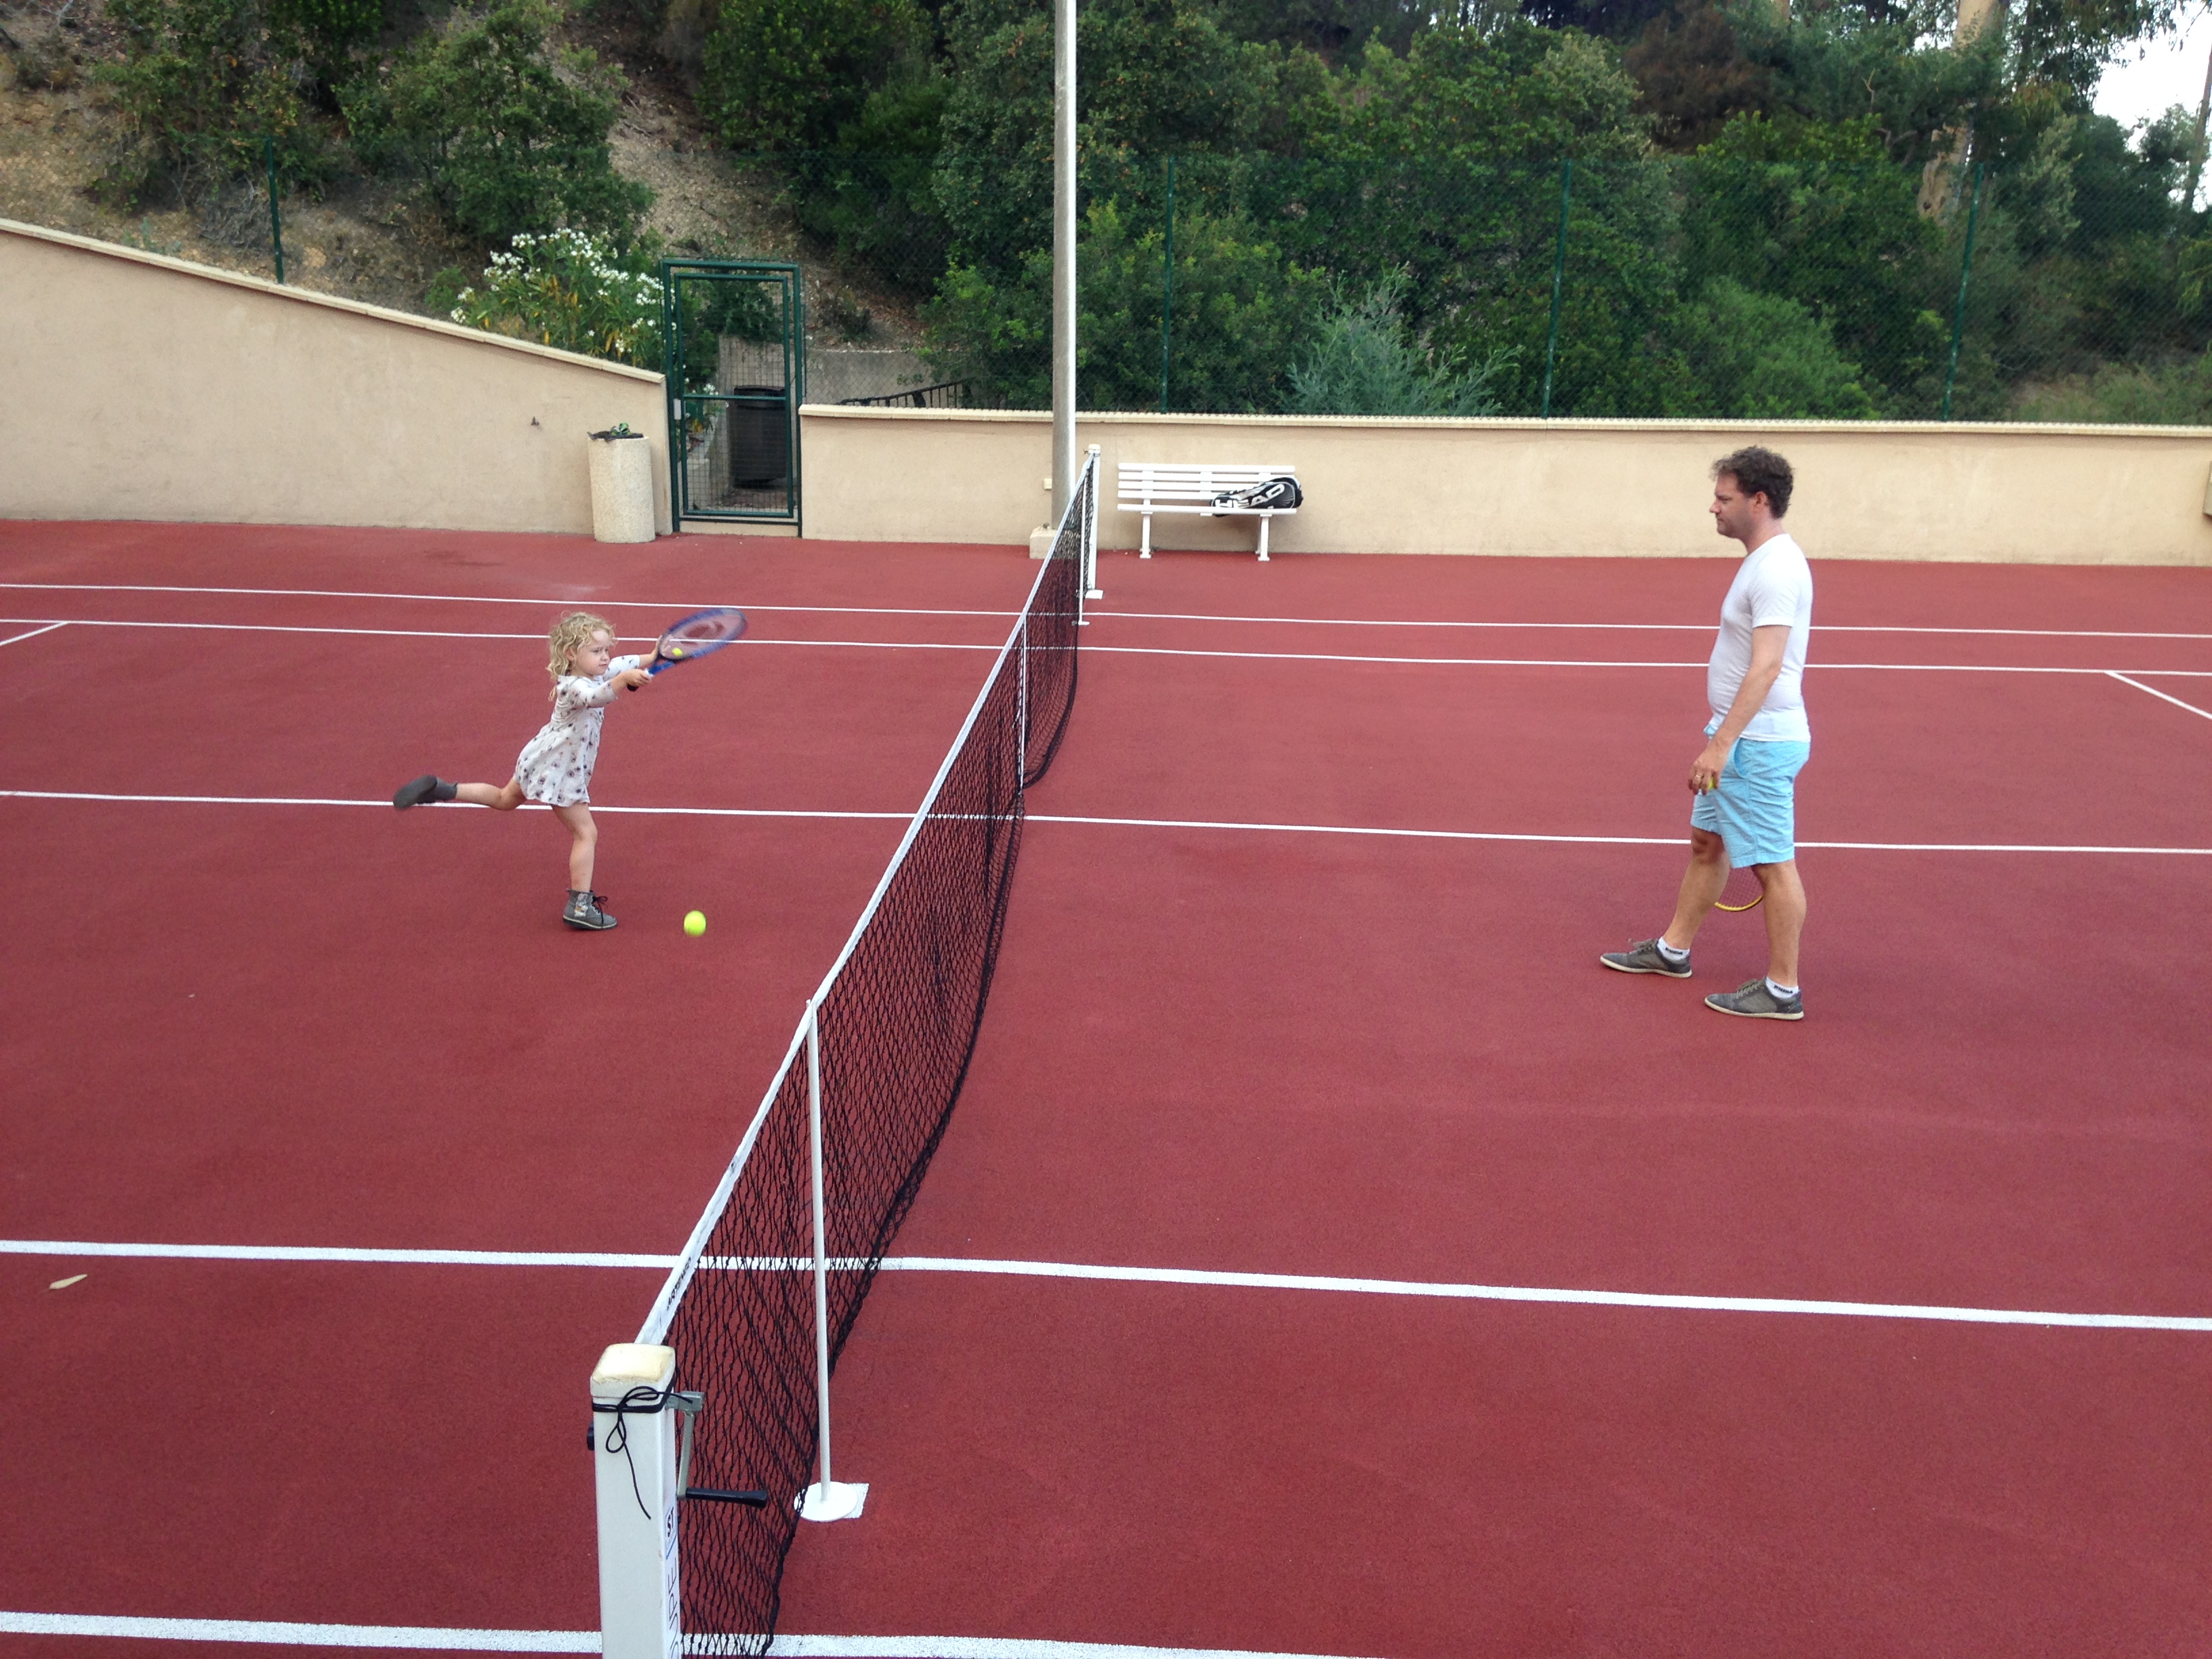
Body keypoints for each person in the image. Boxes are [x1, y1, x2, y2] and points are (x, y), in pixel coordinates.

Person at [1601, 446, 1813, 1020]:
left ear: (1758, 501)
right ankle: (1673, 951)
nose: (1714, 507)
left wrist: (1721, 746)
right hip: (1739, 736)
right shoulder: (1762, 560)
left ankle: (1783, 990)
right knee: (1708, 844)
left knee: (1772, 864)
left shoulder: (1777, 569)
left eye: (1724, 498)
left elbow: (1767, 667)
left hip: (1757, 744)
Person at [392, 611, 651, 931]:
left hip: (540, 758)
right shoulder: (574, 686)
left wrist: (652, 656)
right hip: (562, 772)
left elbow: (623, 664)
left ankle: (442, 789)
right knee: (586, 833)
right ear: (571, 654)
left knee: (505, 799)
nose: (605, 657)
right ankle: (580, 906)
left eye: (606, 650)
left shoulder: (596, 671)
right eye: (596, 651)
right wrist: (623, 681)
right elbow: (596, 697)